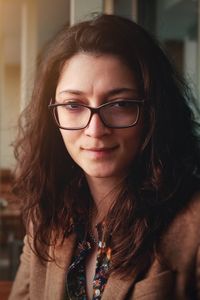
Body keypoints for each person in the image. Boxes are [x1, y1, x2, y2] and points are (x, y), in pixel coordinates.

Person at [9, 14, 200, 300]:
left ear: (153, 113)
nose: (95, 129)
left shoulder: (194, 227)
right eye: (73, 105)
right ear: (52, 115)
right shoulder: (46, 215)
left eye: (120, 104)